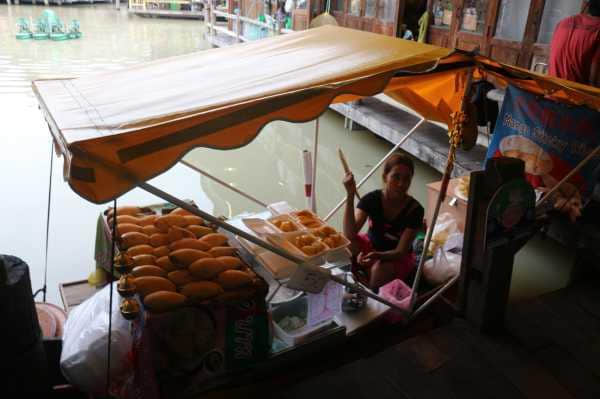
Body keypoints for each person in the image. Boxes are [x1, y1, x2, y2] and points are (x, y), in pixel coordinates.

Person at [342, 153, 424, 290]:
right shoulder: (371, 199)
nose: (401, 184)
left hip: (396, 256)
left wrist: (377, 256)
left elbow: (400, 252)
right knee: (345, 247)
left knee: (379, 270)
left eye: (406, 179)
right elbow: (349, 234)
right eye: (396, 177)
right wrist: (350, 194)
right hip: (371, 245)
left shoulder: (415, 210)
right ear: (385, 176)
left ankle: (368, 287)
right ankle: (362, 278)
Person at [548, 0, 600, 87]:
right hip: (575, 95)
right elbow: (593, 78)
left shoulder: (563, 22)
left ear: (588, 5)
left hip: (550, 89)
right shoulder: (597, 29)